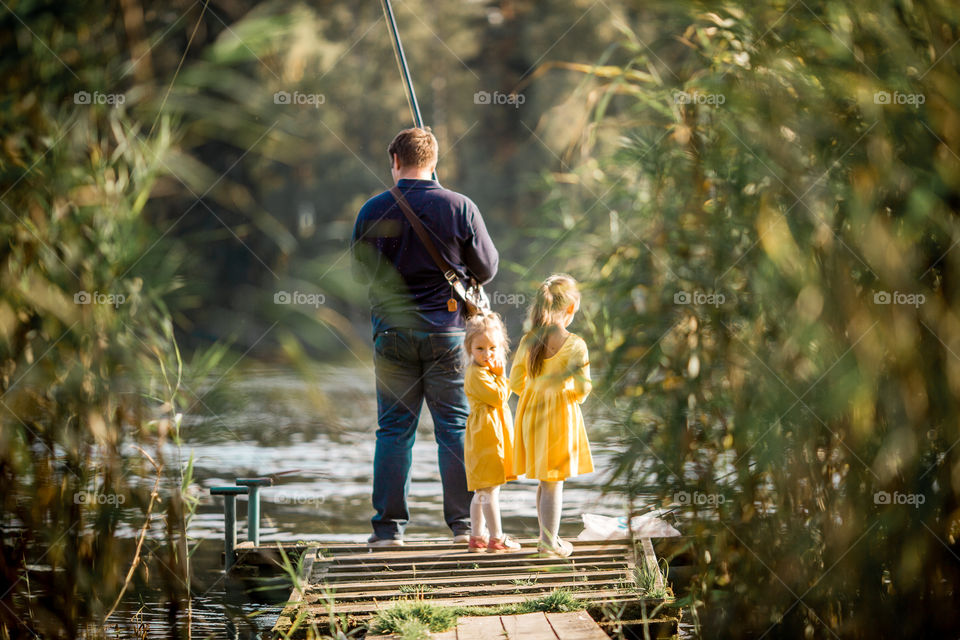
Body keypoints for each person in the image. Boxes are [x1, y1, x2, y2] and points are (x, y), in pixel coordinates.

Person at [351, 127, 499, 546]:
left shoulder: (372, 210)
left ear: (395, 161)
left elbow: (360, 272)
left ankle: (387, 532)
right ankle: (464, 526)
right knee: (454, 426)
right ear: (433, 162)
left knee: (394, 430)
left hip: (392, 334)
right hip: (448, 333)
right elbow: (486, 269)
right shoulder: (460, 206)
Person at [509, 274, 594, 557]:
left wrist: (536, 393)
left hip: (531, 416)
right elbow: (583, 390)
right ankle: (548, 544)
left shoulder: (528, 341)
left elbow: (516, 382)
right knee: (554, 482)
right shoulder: (576, 344)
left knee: (546, 480)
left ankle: (549, 538)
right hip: (559, 417)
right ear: (570, 309)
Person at [462, 312, 521, 553]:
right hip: (486, 437)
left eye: (493, 348)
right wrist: (502, 376)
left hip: (489, 435)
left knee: (483, 490)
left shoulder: (485, 372)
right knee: (488, 489)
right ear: (469, 349)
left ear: (501, 348)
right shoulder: (478, 374)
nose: (487, 354)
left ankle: (477, 536)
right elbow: (498, 397)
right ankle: (496, 538)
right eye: (480, 349)